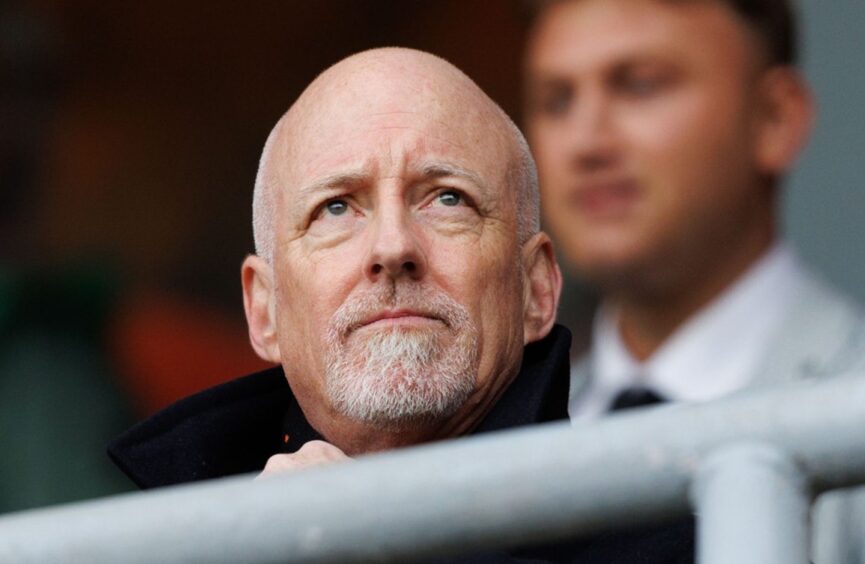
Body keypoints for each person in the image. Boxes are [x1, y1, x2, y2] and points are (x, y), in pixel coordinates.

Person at [109, 47, 568, 493]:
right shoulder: (168, 542)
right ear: (264, 310)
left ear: (536, 289)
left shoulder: (635, 519)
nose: (393, 247)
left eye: (448, 198)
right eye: (334, 208)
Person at [523, 0, 865, 562]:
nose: (585, 142)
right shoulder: (514, 430)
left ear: (774, 117)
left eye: (640, 86)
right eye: (556, 100)